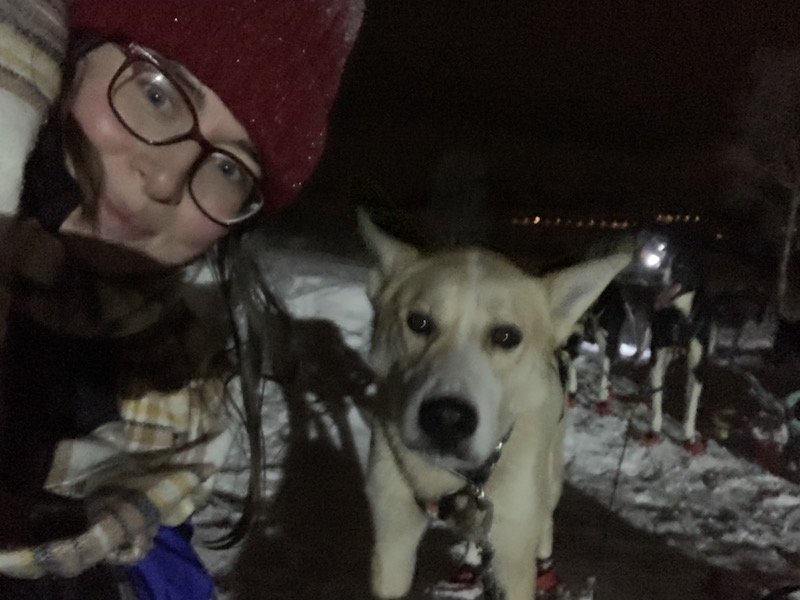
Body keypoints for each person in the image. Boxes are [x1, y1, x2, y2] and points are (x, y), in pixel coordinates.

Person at [0, 0, 364, 598]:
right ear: (66, 52)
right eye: (159, 94)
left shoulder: (163, 415)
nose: (168, 179)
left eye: (229, 167)